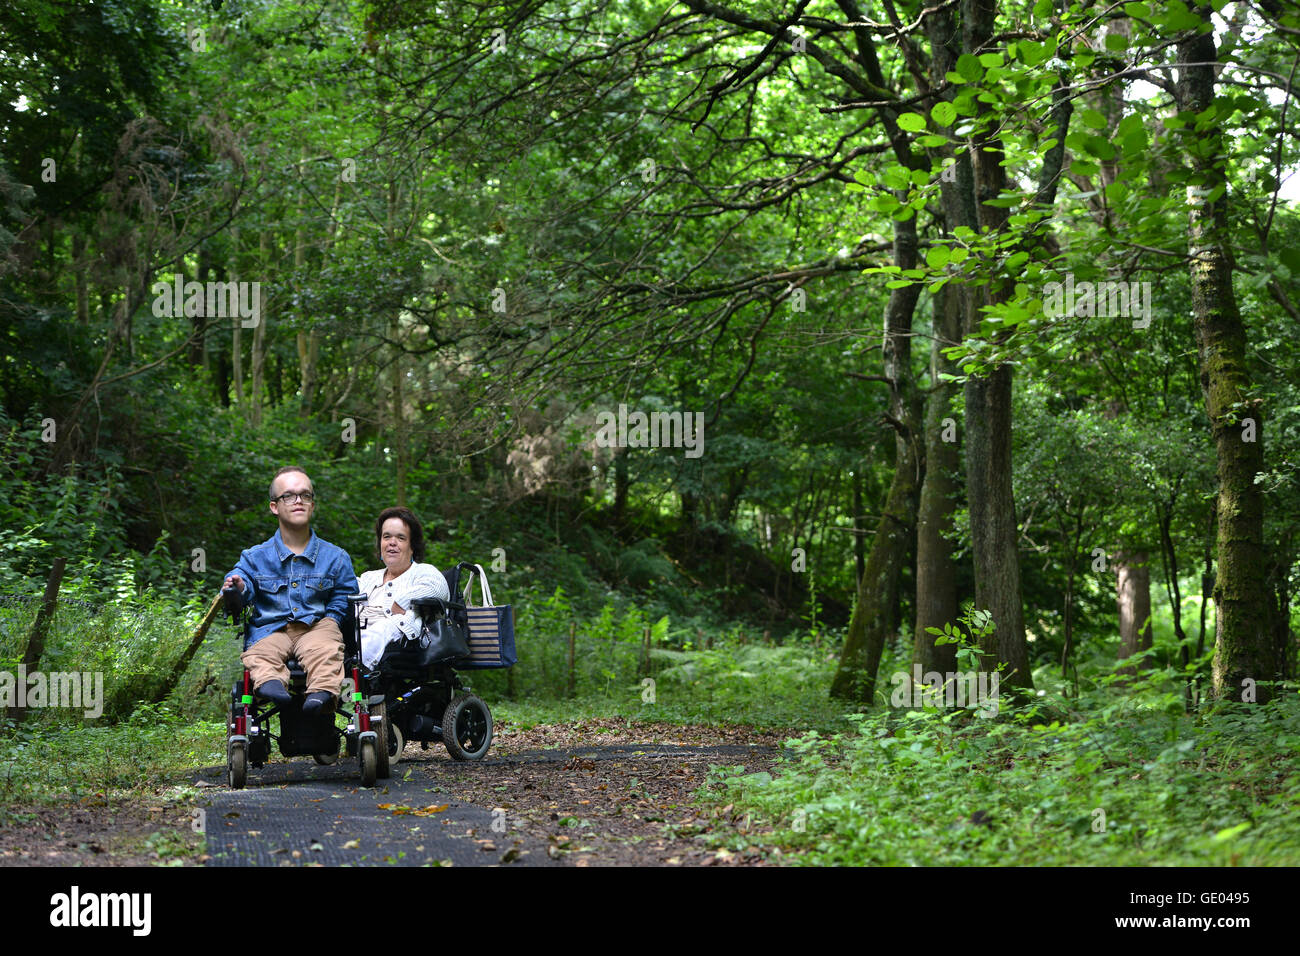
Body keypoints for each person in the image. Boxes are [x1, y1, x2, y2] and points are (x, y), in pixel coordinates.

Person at [222, 466, 359, 715]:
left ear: (312, 505)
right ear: (274, 506)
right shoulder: (254, 557)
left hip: (316, 627)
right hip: (270, 629)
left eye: (305, 495)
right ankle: (270, 684)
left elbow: (344, 596)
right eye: (289, 495)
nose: (298, 500)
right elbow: (241, 582)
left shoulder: (336, 557)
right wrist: (238, 588)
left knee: (326, 648)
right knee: (260, 653)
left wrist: (332, 619)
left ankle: (322, 692)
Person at [356, 506, 450, 669]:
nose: (392, 542)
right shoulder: (368, 578)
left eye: (400, 538)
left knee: (381, 629)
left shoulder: (422, 572)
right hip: (356, 635)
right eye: (386, 537)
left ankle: (351, 674)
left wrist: (401, 602)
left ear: (412, 546)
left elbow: (437, 588)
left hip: (397, 641)